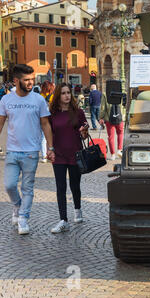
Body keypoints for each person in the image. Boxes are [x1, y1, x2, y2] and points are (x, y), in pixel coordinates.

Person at [0, 64, 55, 235]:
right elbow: (0, 122)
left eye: (32, 79)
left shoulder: (38, 100)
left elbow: (45, 124)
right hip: (12, 150)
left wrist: (50, 147)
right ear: (16, 81)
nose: (31, 82)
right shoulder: (6, 100)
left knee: (28, 188)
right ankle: (17, 205)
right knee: (9, 185)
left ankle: (23, 217)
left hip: (31, 151)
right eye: (26, 80)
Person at [48, 83, 89, 233]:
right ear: (58, 95)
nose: (67, 95)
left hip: (75, 154)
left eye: (68, 93)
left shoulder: (78, 112)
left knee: (75, 185)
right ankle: (63, 220)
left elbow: (84, 134)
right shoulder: (52, 113)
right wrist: (49, 149)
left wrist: (84, 131)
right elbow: (49, 133)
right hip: (58, 155)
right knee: (60, 188)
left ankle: (77, 209)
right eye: (63, 93)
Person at [98, 92, 125, 161]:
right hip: (120, 117)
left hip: (109, 118)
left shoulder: (105, 93)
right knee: (120, 133)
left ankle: (112, 154)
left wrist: (101, 117)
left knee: (111, 137)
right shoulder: (122, 92)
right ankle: (119, 150)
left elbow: (103, 107)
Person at [39, 81, 55, 163]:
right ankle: (52, 154)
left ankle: (44, 156)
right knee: (53, 136)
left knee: (43, 138)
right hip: (52, 118)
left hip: (42, 119)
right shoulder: (53, 96)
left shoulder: (39, 96)